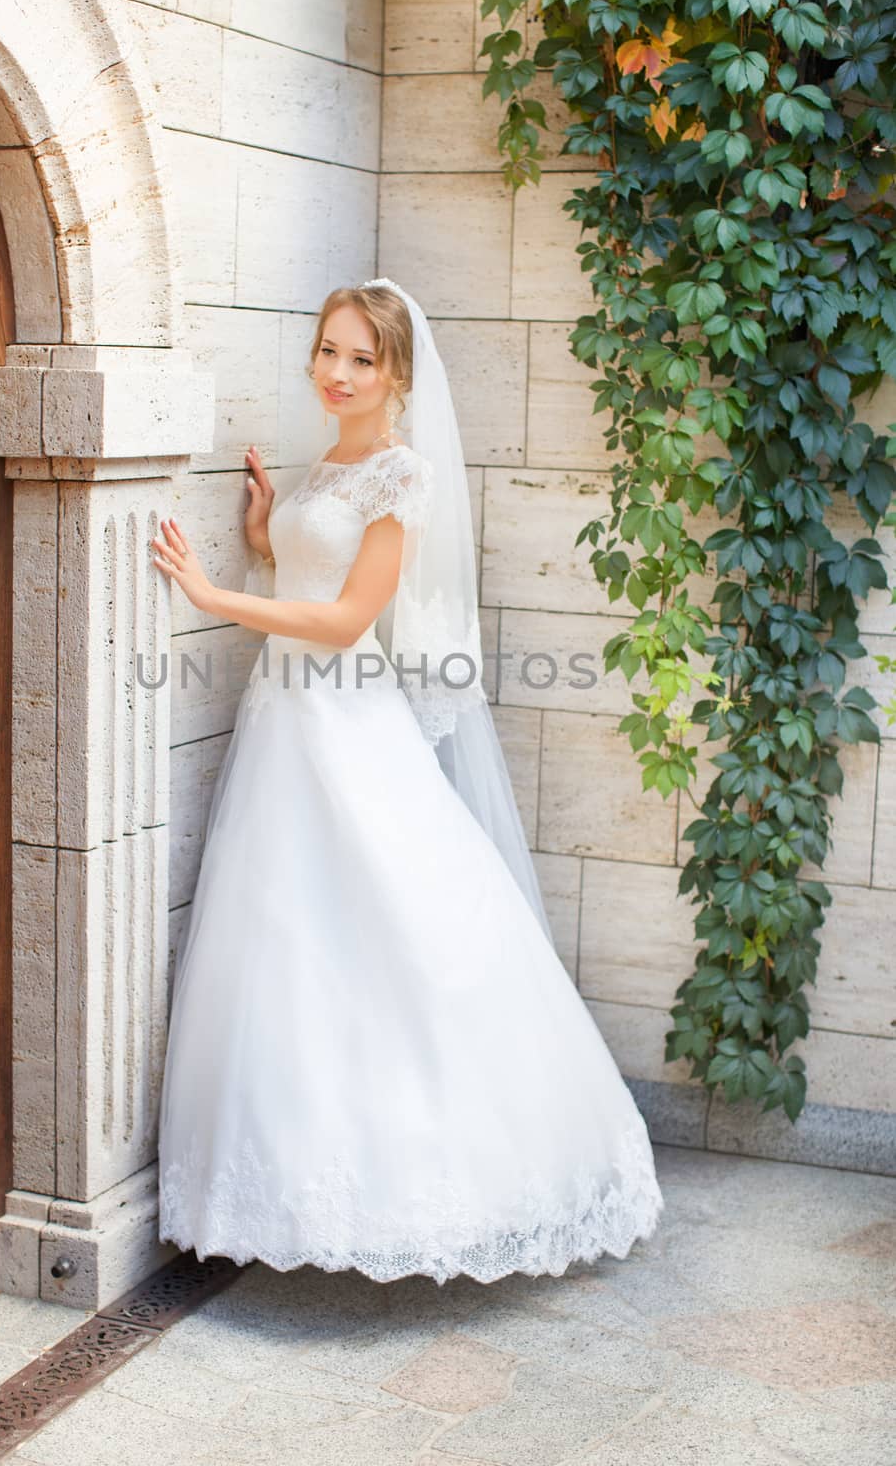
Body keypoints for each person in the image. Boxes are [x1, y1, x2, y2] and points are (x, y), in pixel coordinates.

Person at [150, 278, 664, 1284]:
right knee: (289, 944)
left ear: (395, 372)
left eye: (359, 359)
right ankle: (279, 1194)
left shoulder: (400, 476)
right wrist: (265, 534)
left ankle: (459, 1180)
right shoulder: (327, 461)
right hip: (282, 728)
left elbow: (347, 622)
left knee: (403, 929)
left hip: (345, 720)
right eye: (327, 352)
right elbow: (309, 575)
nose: (335, 374)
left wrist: (213, 594)